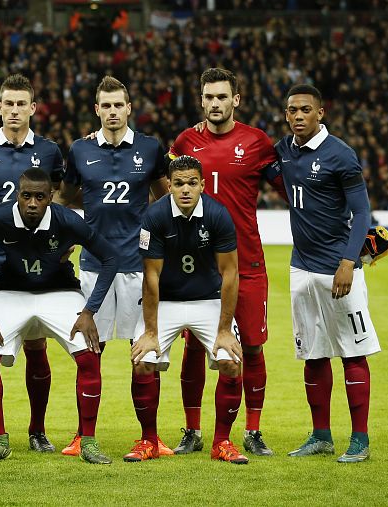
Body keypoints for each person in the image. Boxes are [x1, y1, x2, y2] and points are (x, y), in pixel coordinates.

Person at [0, 169, 118, 464]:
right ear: (17, 196)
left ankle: (88, 441)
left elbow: (110, 257)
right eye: (26, 196)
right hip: (11, 293)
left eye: (39, 197)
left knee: (89, 356)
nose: (32, 203)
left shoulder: (68, 220)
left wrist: (89, 311)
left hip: (59, 292)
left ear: (51, 198)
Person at [167, 68, 283, 456]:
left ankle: (252, 430)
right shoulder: (185, 142)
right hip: (197, 267)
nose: (214, 103)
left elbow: (292, 188)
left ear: (236, 99)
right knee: (194, 349)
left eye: (222, 97)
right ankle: (192, 430)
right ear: (201, 100)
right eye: (208, 97)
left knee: (251, 347)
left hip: (247, 264)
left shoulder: (257, 142)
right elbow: (159, 186)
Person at [55, 76, 168, 457]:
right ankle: (83, 436)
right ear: (97, 110)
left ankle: (150, 438)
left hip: (139, 268)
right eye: (106, 105)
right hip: (93, 266)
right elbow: (67, 197)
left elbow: (164, 198)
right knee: (90, 352)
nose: (113, 111)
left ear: (129, 107)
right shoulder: (80, 151)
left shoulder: (151, 149)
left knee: (144, 357)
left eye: (119, 104)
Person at [275, 84, 379, 463]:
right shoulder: (284, 151)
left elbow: (362, 213)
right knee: (313, 354)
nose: (298, 115)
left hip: (337, 270)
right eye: (291, 110)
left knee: (353, 354)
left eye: (305, 109)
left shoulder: (341, 155)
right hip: (300, 269)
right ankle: (321, 435)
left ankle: (360, 440)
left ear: (321, 113)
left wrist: (349, 262)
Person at [0, 74, 64, 453]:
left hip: (34, 267)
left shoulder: (51, 151)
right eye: (9, 103)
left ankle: (37, 430)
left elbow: (59, 199)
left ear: (33, 108)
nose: (15, 110)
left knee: (37, 348)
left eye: (22, 103)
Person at [131, 155, 248, 464]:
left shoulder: (218, 215)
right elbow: (151, 276)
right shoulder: (154, 217)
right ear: (168, 185)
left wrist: (224, 330)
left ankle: (222, 442)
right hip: (166, 301)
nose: (185, 190)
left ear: (202, 185)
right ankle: (148, 440)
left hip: (208, 301)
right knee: (143, 360)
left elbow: (230, 274)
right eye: (179, 184)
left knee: (232, 361)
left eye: (192, 183)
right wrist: (151, 332)